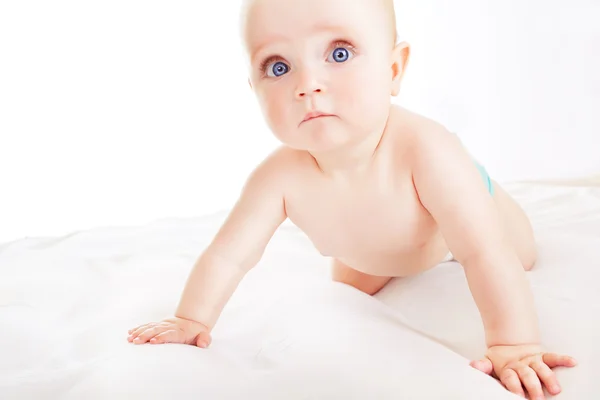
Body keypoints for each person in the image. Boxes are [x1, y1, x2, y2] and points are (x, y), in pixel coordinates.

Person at [127, 0, 577, 397]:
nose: (308, 84)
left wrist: (513, 344)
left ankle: (483, 196)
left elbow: (483, 251)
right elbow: (228, 256)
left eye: (339, 54)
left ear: (394, 70)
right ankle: (384, 253)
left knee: (515, 254)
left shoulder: (426, 150)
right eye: (278, 67)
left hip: (457, 210)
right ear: (254, 90)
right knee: (345, 293)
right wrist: (192, 319)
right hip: (371, 243)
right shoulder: (278, 176)